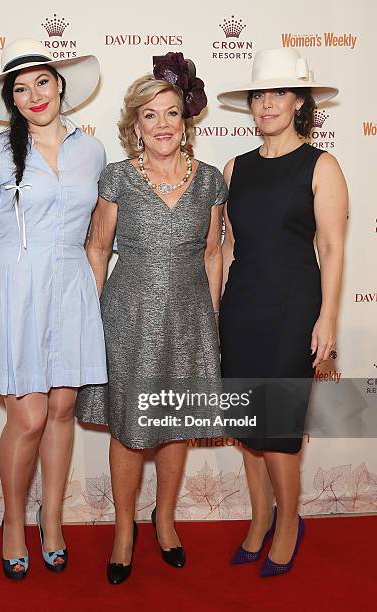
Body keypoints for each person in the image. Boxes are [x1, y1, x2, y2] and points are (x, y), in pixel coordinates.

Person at [0, 38, 106, 580]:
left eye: (42, 81)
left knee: (62, 410)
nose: (33, 94)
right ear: (10, 99)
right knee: (29, 416)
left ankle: (54, 520)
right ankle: (13, 522)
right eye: (20, 88)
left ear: (60, 85)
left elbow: (97, 234)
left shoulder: (93, 150)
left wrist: (95, 292)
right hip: (13, 286)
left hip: (71, 286)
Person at [76, 52, 228, 584]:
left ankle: (164, 521)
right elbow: (97, 249)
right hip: (128, 316)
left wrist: (212, 320)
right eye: (150, 115)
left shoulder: (209, 180)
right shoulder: (116, 177)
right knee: (127, 430)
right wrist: (88, 322)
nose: (162, 124)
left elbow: (213, 255)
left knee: (175, 424)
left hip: (188, 318)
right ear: (134, 126)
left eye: (171, 112)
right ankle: (124, 529)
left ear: (185, 120)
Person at [217, 48, 348, 577]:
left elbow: (334, 249)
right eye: (259, 94)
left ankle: (288, 525)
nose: (267, 103)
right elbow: (226, 248)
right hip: (242, 306)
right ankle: (258, 518)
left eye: (279, 93)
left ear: (299, 102)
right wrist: (216, 310)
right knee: (248, 427)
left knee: (278, 429)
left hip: (294, 307)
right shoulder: (235, 168)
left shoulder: (322, 165)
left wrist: (329, 318)